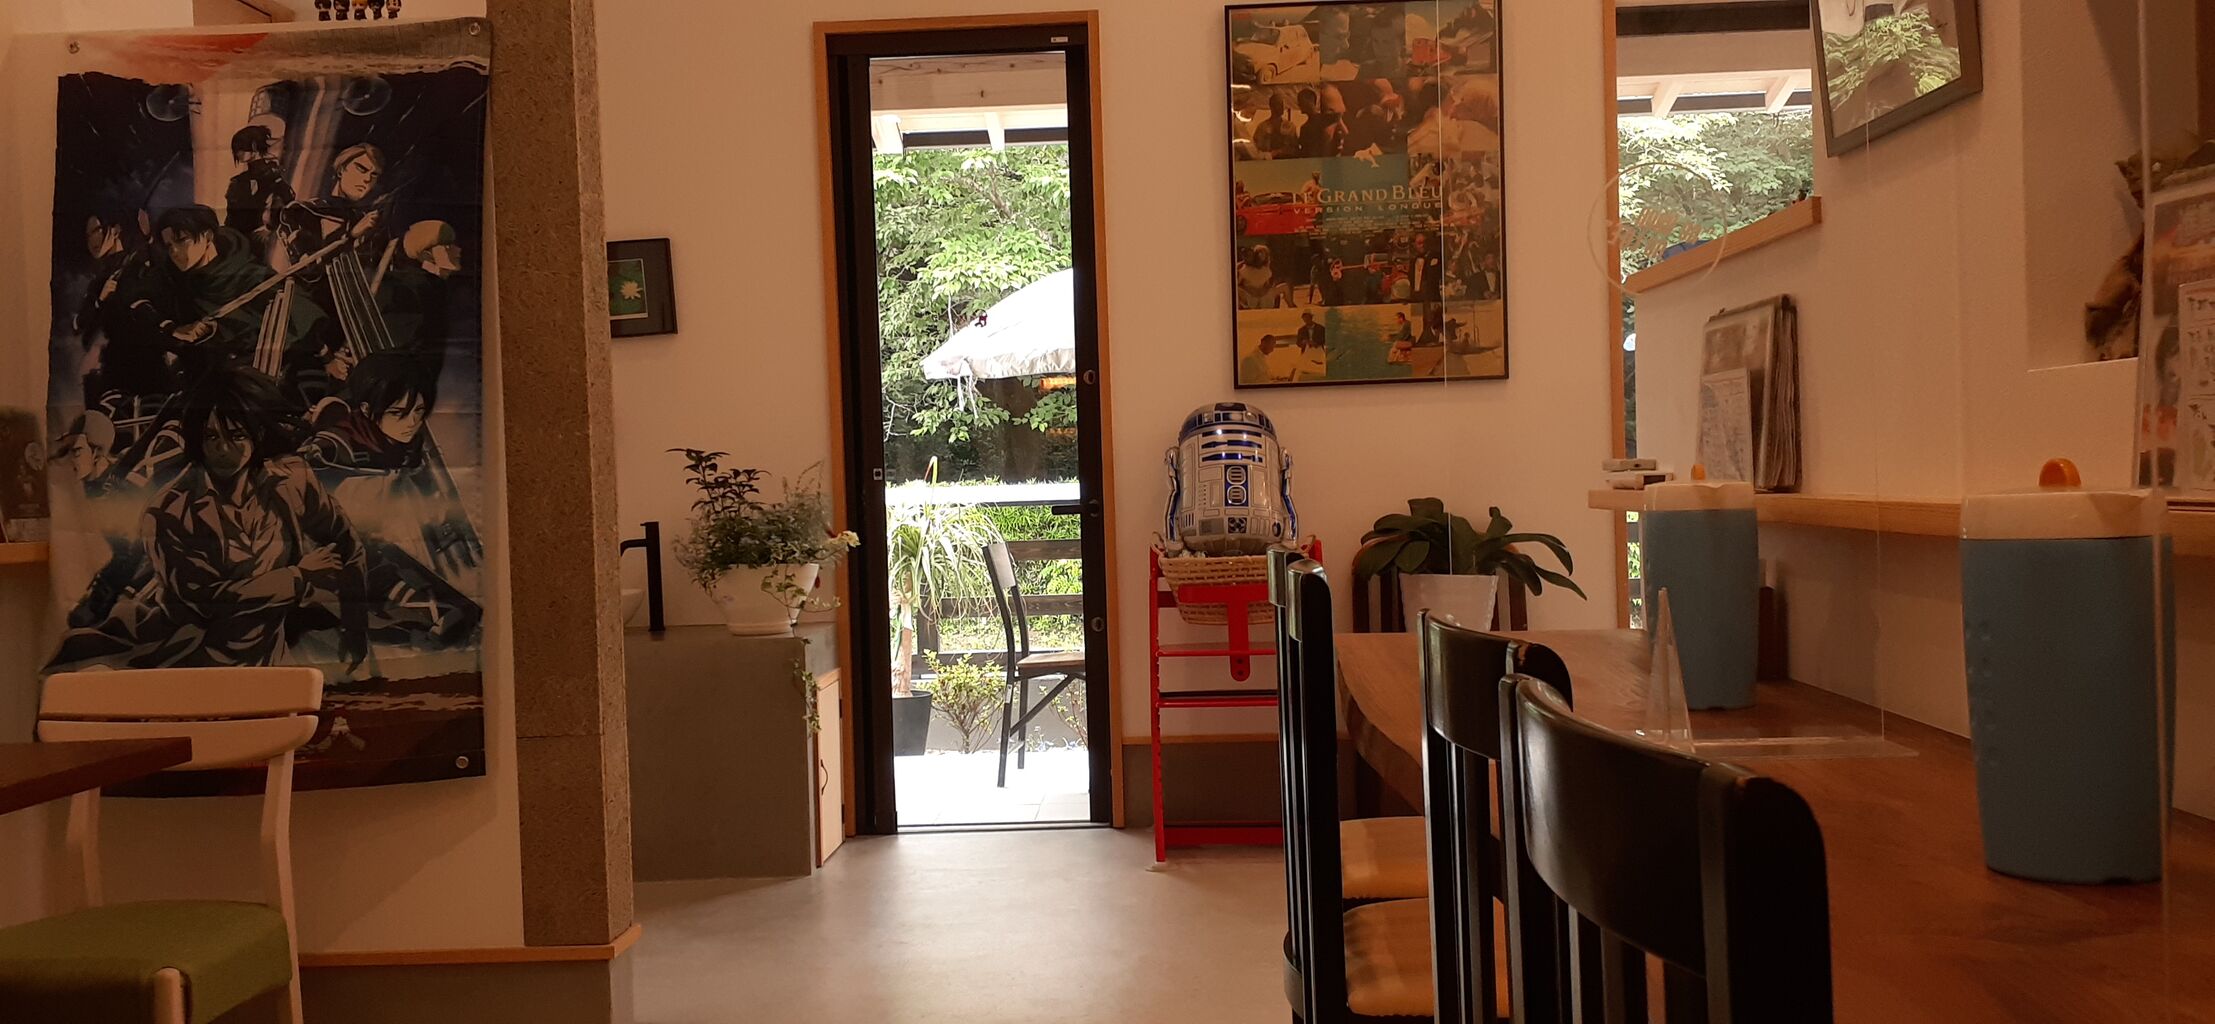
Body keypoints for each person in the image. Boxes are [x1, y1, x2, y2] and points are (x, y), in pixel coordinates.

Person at [47, 366, 367, 671]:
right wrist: (298, 577)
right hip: (189, 663)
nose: (223, 449)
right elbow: (209, 600)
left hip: (271, 661)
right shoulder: (170, 511)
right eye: (212, 437)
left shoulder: (291, 480)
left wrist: (355, 624)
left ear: (256, 433)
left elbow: (346, 541)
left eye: (236, 436)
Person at [304, 352, 483, 642]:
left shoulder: (410, 443)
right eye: (399, 413)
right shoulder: (334, 446)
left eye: (419, 411)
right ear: (367, 409)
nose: (412, 422)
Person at [108, 205, 280, 396]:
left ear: (207, 236)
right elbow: (135, 299)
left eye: (181, 240)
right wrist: (171, 328)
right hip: (189, 384)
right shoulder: (169, 275)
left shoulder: (252, 276)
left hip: (248, 382)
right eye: (169, 245)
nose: (174, 251)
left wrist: (220, 331)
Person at [281, 143, 396, 356]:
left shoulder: (369, 223)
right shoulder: (302, 211)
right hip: (309, 328)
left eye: (374, 175)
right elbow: (307, 270)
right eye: (361, 169)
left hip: (356, 335)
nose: (366, 180)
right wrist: (349, 237)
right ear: (342, 169)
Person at [224, 121, 293, 252]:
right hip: (237, 237)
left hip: (254, 240)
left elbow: (288, 197)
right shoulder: (240, 180)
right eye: (236, 149)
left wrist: (269, 227)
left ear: (254, 146)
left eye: (241, 148)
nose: (237, 153)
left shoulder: (271, 174)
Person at [1251, 92, 1302, 159]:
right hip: (1268, 162)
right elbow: (1256, 148)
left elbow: (1295, 148)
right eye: (1278, 104)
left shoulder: (1290, 126)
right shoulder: (1262, 127)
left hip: (1287, 161)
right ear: (1271, 106)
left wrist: (1282, 151)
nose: (1282, 107)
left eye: (1282, 104)